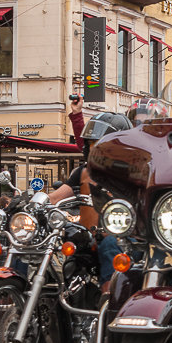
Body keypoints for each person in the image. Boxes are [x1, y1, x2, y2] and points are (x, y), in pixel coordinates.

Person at [51, 111, 133, 287]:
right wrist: (31, 202)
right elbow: (55, 197)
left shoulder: (132, 174)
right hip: (89, 233)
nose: (94, 149)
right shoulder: (83, 173)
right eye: (91, 144)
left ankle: (109, 301)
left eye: (100, 144)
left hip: (123, 236)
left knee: (110, 244)